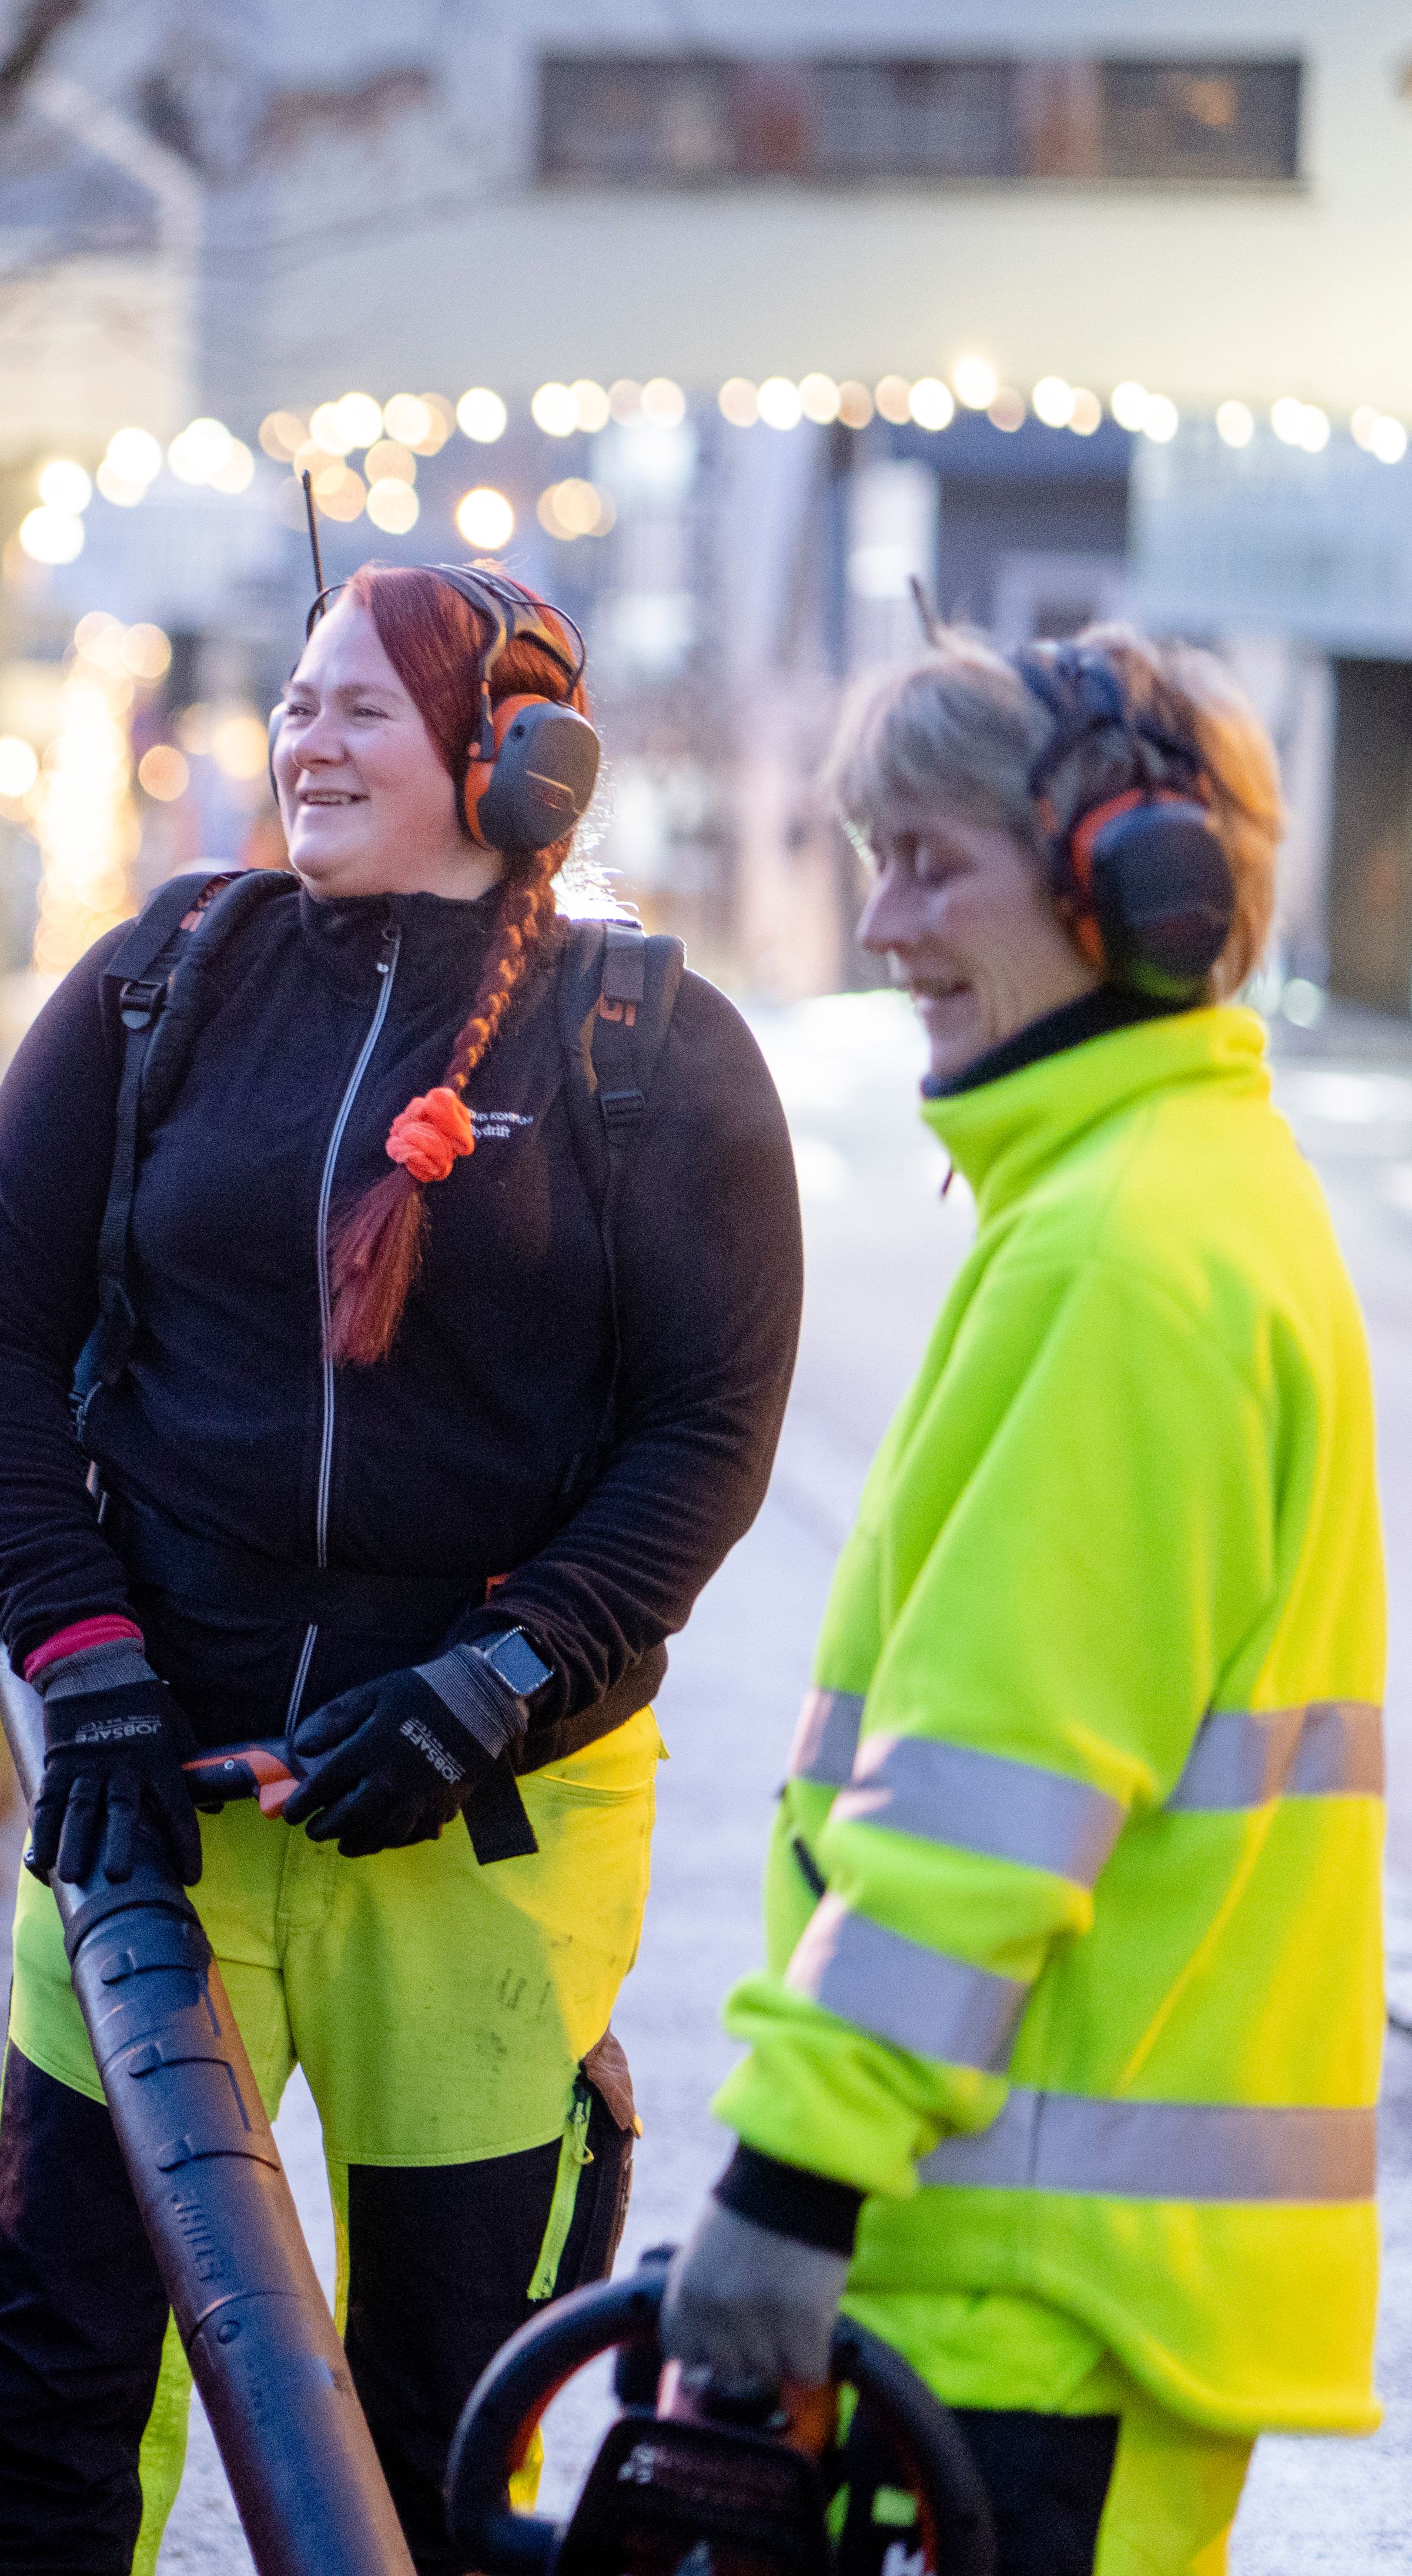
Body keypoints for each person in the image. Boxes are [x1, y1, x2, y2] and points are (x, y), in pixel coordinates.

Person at [0, 561, 805, 2574]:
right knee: (56, 2387)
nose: (306, 741)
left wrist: (501, 1675)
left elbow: (704, 1440)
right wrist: (87, 1659)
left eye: (360, 714)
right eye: (298, 704)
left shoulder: (647, 1054)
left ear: (510, 766)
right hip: (157, 1823)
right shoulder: (162, 983)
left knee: (433, 2414)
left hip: (487, 1834)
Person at [665, 627, 1381, 2575]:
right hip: (1078, 2298)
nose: (883, 922)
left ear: (1130, 894)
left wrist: (792, 2186)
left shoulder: (1121, 1256)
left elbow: (990, 1798)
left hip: (1024, 2312)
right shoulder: (1169, 1190)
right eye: (869, 858)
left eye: (929, 861)